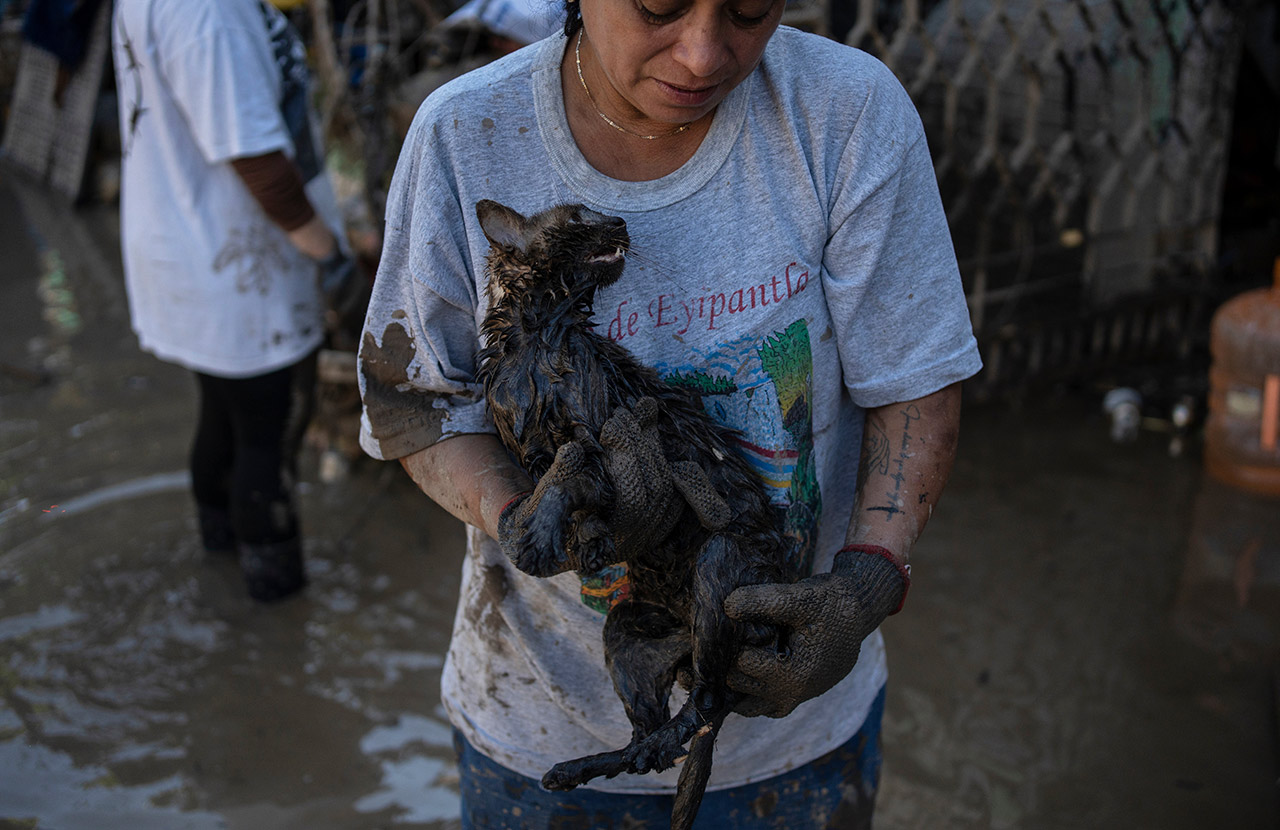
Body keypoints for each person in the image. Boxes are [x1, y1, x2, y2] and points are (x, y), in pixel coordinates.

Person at [357, 0, 982, 824]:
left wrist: (868, 579)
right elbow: (417, 405)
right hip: (539, 719)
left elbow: (914, 379)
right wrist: (522, 516)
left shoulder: (846, 113)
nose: (702, 55)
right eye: (658, 6)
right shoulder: (466, 134)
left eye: (751, 9)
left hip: (796, 740)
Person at [111, 0, 357, 602]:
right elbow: (260, 161)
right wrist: (332, 259)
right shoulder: (210, 12)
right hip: (238, 264)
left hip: (185, 243)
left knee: (223, 414)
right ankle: (278, 612)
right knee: (266, 437)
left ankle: (220, 562)